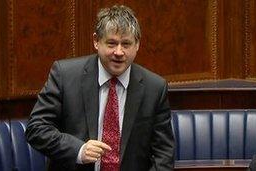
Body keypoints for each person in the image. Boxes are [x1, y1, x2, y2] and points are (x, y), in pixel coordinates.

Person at [25, 4, 174, 171]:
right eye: (111, 43)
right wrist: (78, 150)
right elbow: (36, 128)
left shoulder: (154, 87)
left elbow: (164, 154)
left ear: (137, 44)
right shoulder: (65, 75)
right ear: (96, 41)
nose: (119, 52)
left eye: (126, 44)